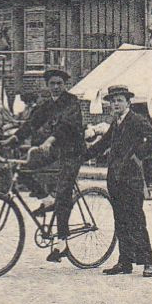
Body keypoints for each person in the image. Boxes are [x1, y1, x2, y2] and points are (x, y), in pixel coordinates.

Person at [86, 85, 152, 278]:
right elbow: (102, 144)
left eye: (119, 100)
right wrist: (81, 156)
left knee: (136, 219)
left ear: (128, 102)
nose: (115, 104)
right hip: (115, 179)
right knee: (120, 220)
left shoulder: (135, 119)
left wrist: (138, 155)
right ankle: (124, 262)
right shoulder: (116, 122)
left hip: (131, 179)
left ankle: (148, 262)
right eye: (113, 101)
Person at [22, 67, 87, 262]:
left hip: (73, 152)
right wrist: (13, 139)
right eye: (52, 84)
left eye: (59, 83)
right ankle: (46, 199)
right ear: (47, 85)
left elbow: (66, 125)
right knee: (23, 169)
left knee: (63, 191)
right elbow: (31, 124)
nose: (56, 87)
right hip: (56, 150)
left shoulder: (72, 102)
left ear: (65, 85)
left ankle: (62, 242)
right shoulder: (47, 105)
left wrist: (50, 139)